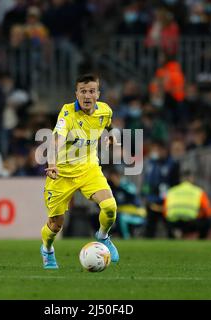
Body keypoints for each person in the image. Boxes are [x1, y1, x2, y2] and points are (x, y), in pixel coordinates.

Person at [41, 74, 119, 269]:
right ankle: (47, 249)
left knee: (110, 207)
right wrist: (52, 163)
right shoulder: (67, 114)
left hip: (89, 169)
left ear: (97, 94)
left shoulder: (105, 111)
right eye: (83, 91)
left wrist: (110, 137)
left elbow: (108, 125)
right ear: (76, 94)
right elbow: (56, 139)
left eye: (91, 91)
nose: (87, 95)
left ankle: (102, 237)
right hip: (62, 175)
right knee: (55, 225)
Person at [142, 140, 180, 238]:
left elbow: (175, 183)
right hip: (152, 200)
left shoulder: (172, 164)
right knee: (150, 227)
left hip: (167, 201)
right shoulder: (150, 163)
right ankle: (148, 248)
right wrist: (146, 195)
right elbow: (146, 181)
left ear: (164, 150)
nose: (155, 152)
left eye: (157, 149)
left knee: (170, 227)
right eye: (154, 149)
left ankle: (174, 246)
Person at [163, 169, 211, 239]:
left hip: (173, 223)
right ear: (191, 178)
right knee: (208, 222)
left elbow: (165, 211)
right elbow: (208, 211)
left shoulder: (171, 191)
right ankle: (201, 241)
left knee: (167, 220)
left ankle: (172, 238)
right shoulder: (198, 192)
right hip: (190, 222)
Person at [107, 169, 146, 239]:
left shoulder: (126, 184)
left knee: (122, 217)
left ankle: (126, 237)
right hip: (124, 213)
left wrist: (121, 185)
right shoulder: (113, 189)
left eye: (114, 178)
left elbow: (133, 192)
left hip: (137, 213)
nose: (113, 181)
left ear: (117, 177)